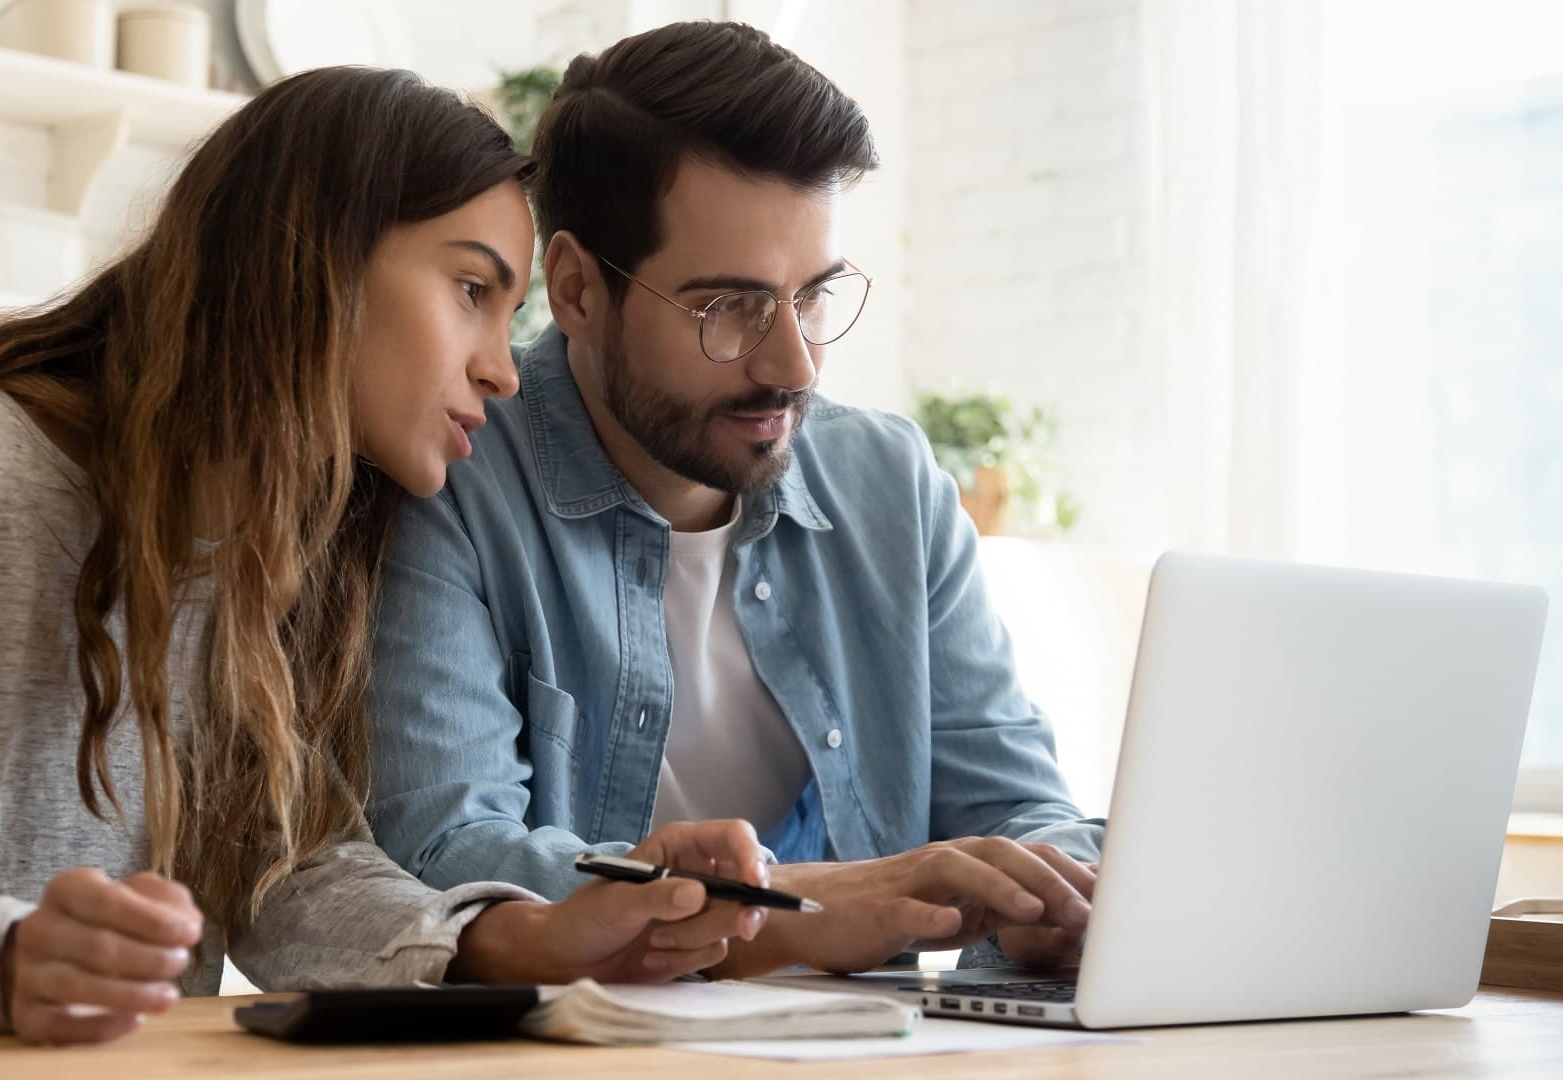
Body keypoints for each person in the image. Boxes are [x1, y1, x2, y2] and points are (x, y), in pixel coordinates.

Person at [0, 66, 772, 1045]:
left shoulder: (289, 551)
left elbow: (286, 877)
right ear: (312, 261)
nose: (503, 370)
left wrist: (527, 938)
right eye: (471, 289)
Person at [367, 23, 1104, 978]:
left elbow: (1016, 803)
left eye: (815, 297)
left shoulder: (891, 486)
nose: (793, 364)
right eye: (731, 308)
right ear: (580, 290)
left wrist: (1057, 895)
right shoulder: (446, 478)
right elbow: (445, 854)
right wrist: (789, 914)